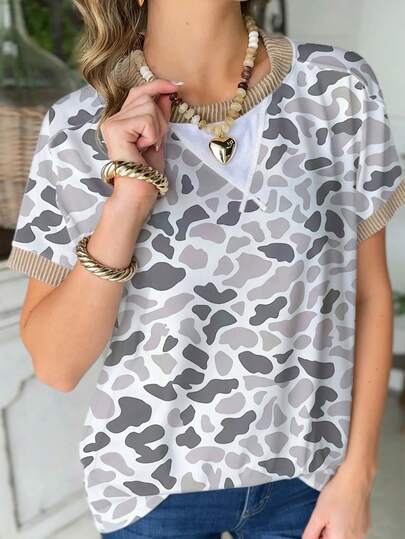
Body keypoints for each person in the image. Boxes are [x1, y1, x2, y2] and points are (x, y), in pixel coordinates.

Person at [7, 0, 405, 538]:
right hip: (151, 493)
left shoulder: (337, 88)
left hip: (310, 482)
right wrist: (128, 201)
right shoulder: (78, 127)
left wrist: (358, 475)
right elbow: (57, 366)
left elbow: (369, 296)